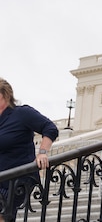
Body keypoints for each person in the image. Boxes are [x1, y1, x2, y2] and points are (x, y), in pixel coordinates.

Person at [0, 78, 59, 220]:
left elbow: (50, 128)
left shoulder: (22, 113)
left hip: (18, 179)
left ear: (6, 95)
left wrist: (42, 153)